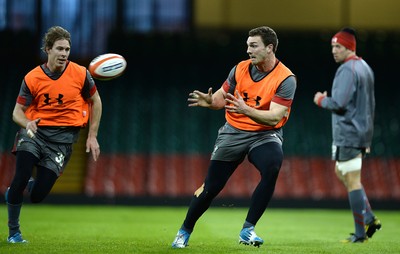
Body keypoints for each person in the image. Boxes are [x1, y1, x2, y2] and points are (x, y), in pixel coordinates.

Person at [172, 26, 296, 248]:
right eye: (247, 45)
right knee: (211, 187)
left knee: (272, 165)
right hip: (234, 131)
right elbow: (221, 100)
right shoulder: (239, 69)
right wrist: (210, 102)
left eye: (253, 45)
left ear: (270, 48)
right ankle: (184, 232)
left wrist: (245, 109)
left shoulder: (286, 78)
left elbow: (274, 117)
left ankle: (248, 230)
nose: (248, 50)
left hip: (264, 134)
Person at [5, 26, 102, 243]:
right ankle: (14, 232)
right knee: (20, 176)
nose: (64, 54)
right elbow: (16, 113)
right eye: (59, 49)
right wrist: (27, 123)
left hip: (62, 142)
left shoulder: (81, 73)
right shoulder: (32, 78)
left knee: (38, 196)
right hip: (34, 134)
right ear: (48, 49)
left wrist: (92, 135)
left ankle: (18, 189)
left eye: (67, 49)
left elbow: (96, 101)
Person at [313, 27, 381, 243]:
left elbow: (340, 104)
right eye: (332, 46)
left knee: (352, 180)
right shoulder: (365, 67)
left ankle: (361, 234)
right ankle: (369, 217)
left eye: (338, 46)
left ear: (349, 47)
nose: (334, 50)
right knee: (341, 171)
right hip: (362, 131)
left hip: (349, 133)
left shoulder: (347, 69)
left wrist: (321, 100)